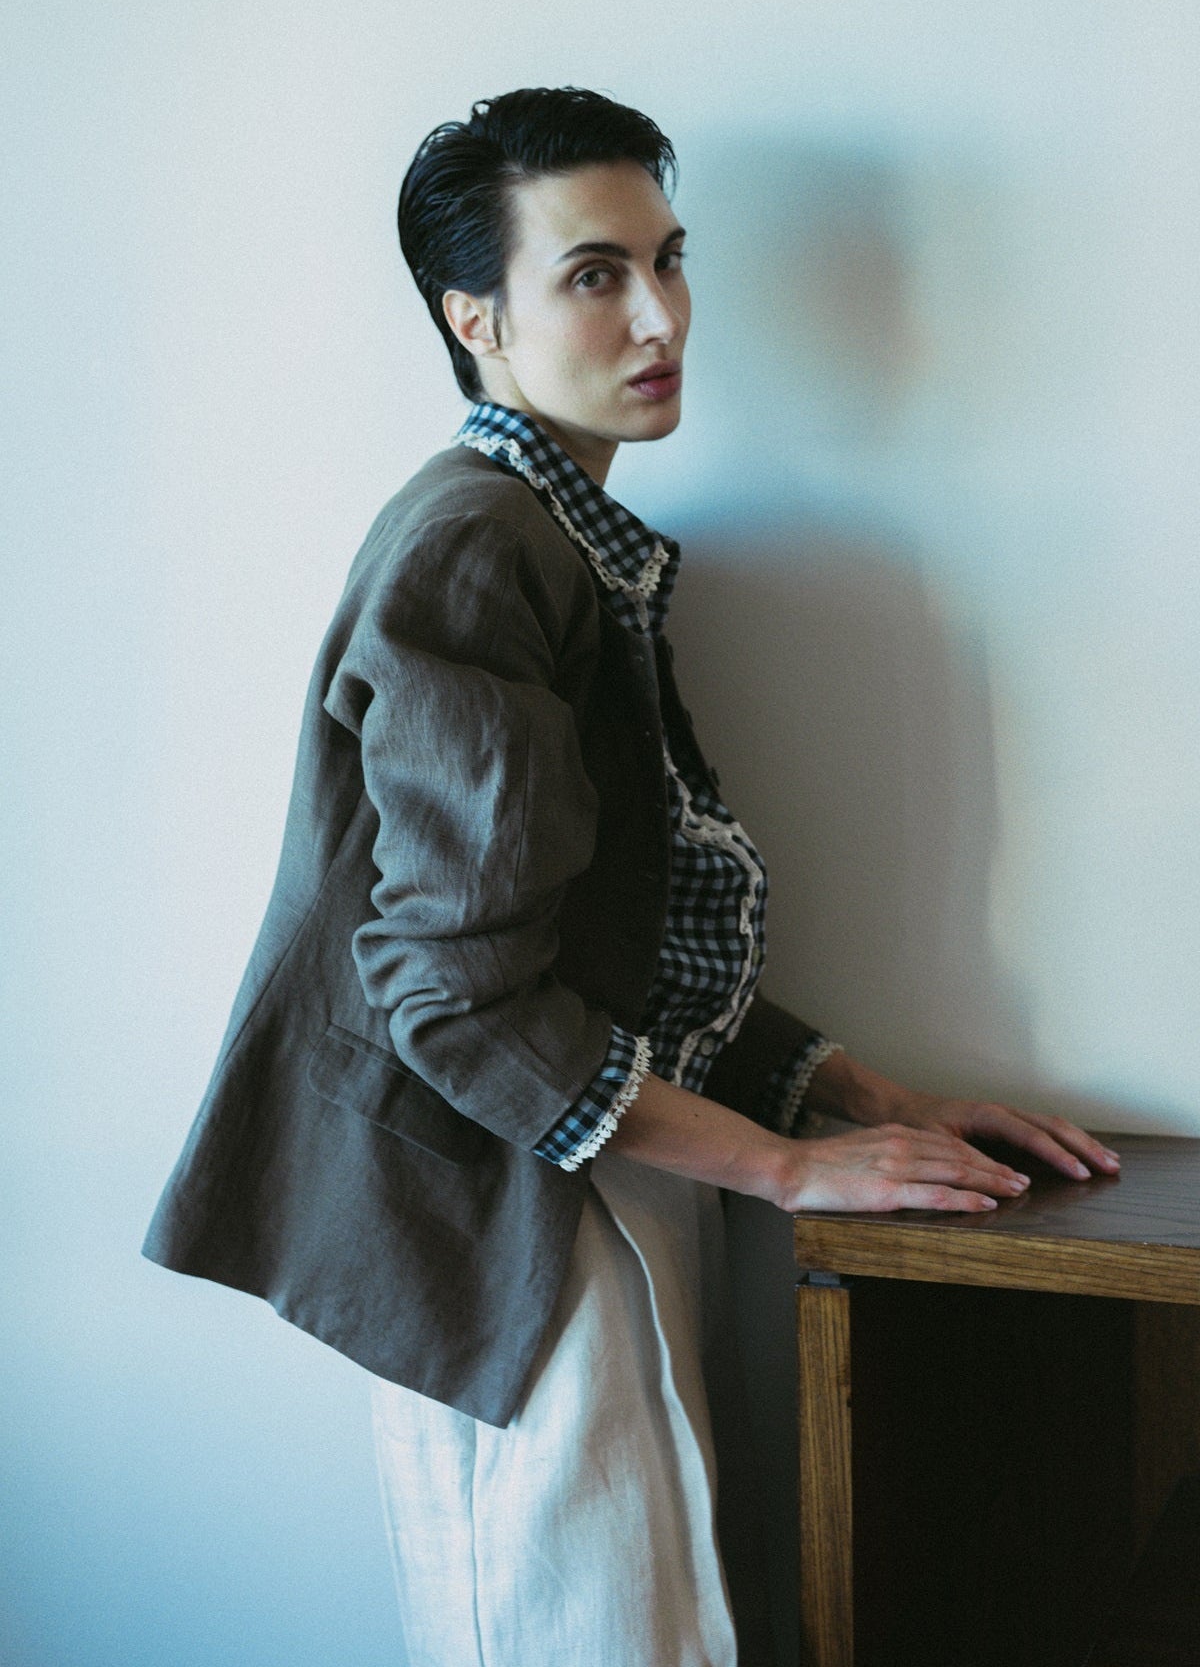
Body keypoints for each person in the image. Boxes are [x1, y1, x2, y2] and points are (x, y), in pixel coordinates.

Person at [144, 87, 1120, 1666]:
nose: (660, 313)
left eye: (669, 260)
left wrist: (857, 1094)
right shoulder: (480, 548)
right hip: (500, 1214)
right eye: (595, 273)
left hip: (592, 1167)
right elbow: (452, 1003)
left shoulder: (570, 535)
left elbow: (621, 939)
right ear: (478, 318)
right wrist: (792, 1173)